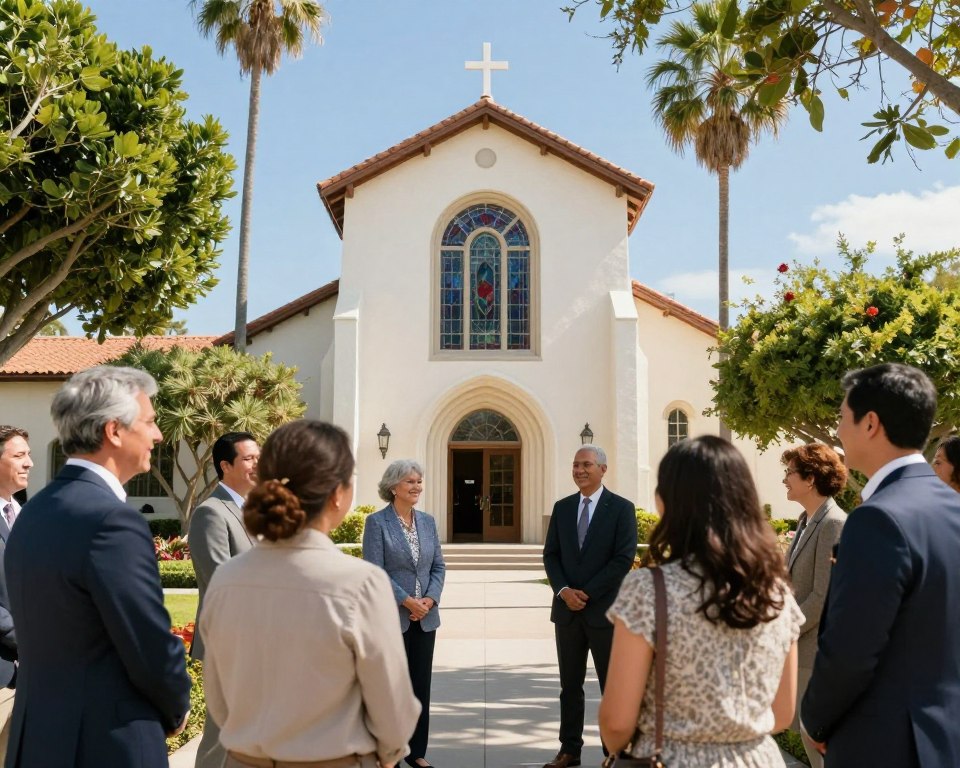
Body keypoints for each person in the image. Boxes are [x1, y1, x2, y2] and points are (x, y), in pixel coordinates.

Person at [201, 420, 419, 768]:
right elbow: (393, 708)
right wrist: (389, 754)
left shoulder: (227, 580)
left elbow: (218, 700)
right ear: (337, 493)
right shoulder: (360, 583)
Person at [4, 366, 191, 767]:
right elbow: (148, 643)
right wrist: (178, 705)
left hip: (38, 740)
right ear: (114, 431)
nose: (158, 435)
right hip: (105, 744)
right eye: (151, 422)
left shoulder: (34, 511)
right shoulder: (112, 520)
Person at [600, 436, 801, 767]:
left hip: (671, 758)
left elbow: (617, 723)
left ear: (667, 501)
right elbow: (782, 713)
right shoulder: (776, 592)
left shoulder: (649, 590)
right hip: (756, 759)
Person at [802, 363, 960, 766]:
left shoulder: (878, 518)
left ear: (870, 423)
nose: (837, 430)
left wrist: (814, 721)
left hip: (884, 744)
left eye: (842, 417)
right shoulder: (952, 507)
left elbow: (851, 650)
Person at [542, 444, 638, 768]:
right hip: (567, 614)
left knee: (612, 688)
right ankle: (569, 751)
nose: (579, 470)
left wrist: (587, 593)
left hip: (605, 613)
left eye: (586, 464)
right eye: (575, 464)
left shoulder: (622, 508)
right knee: (570, 687)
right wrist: (565, 591)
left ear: (602, 469)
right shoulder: (562, 507)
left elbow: (623, 558)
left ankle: (614, 752)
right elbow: (551, 555)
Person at [363, 460, 446, 768]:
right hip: (392, 619)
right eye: (410, 481)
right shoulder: (377, 523)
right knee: (392, 690)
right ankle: (391, 754)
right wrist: (406, 602)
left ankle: (417, 752)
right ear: (393, 486)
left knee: (420, 686)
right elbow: (375, 571)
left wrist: (429, 600)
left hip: (426, 618)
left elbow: (438, 565)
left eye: (419, 482)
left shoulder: (427, 522)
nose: (416, 487)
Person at [189, 432, 260, 768]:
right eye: (249, 459)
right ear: (226, 465)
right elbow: (223, 582)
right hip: (230, 643)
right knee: (222, 738)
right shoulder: (211, 513)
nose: (258, 464)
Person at [780, 443, 847, 768]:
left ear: (810, 479)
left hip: (813, 652)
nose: (784, 480)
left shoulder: (834, 523)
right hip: (798, 648)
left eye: (789, 473)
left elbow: (822, 596)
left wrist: (782, 631)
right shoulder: (807, 520)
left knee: (817, 740)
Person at [0, 426, 31, 760]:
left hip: (26, 674)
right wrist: (27, 639)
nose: (29, 463)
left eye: (29, 455)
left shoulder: (23, 514)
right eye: (19, 455)